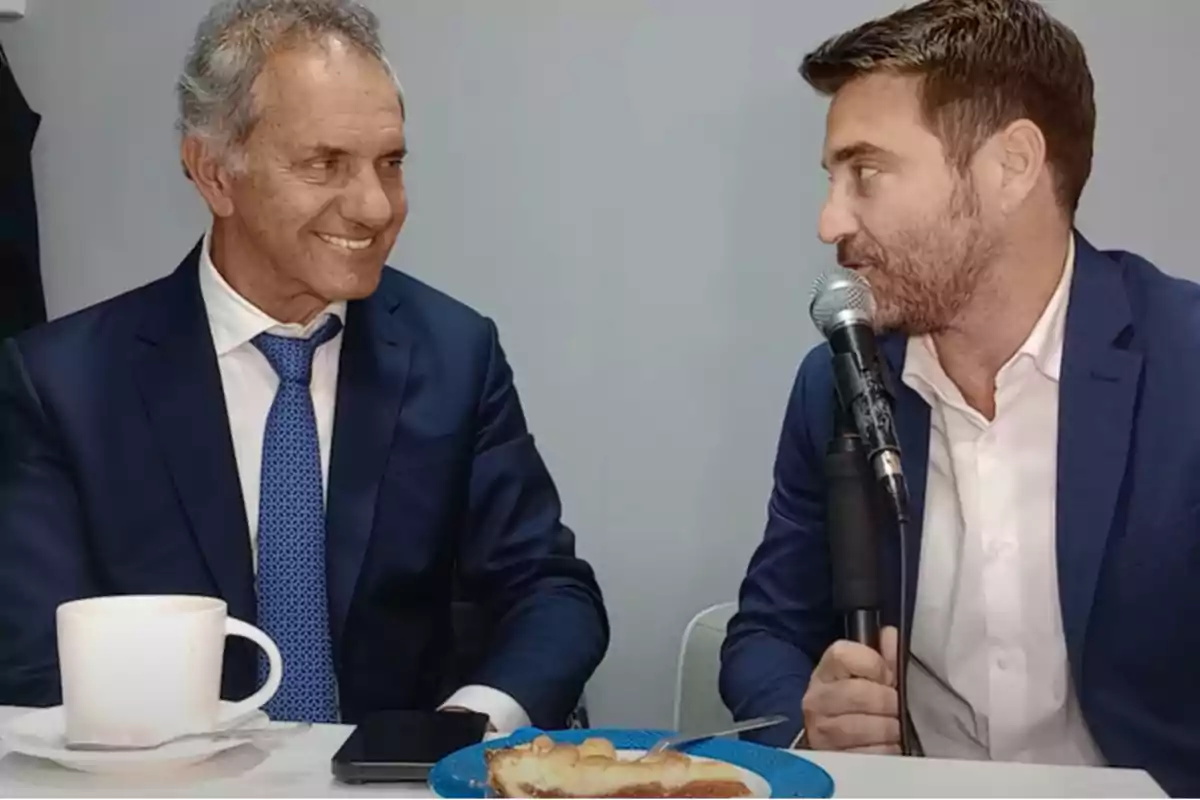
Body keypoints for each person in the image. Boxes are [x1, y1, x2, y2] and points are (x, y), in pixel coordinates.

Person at [0, 0, 608, 732]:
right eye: (325, 164)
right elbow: (34, 663)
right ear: (214, 174)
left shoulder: (454, 355)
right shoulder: (63, 385)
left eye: (391, 164)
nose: (375, 206)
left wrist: (462, 728)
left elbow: (551, 592)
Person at [719, 0, 1200, 794]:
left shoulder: (1184, 363)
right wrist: (811, 720)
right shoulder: (838, 380)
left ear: (1010, 166)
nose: (828, 219)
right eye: (833, 179)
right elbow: (769, 629)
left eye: (866, 172)